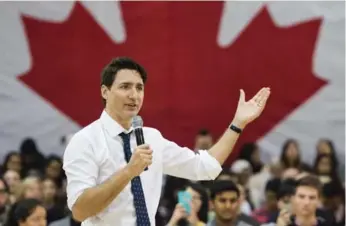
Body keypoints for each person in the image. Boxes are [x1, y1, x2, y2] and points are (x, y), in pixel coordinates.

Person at [63, 57, 271, 226]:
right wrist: (128, 171)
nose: (134, 95)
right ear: (105, 91)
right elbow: (80, 211)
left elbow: (206, 167)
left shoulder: (151, 137)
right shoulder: (85, 141)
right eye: (125, 86)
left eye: (139, 88)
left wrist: (238, 123)